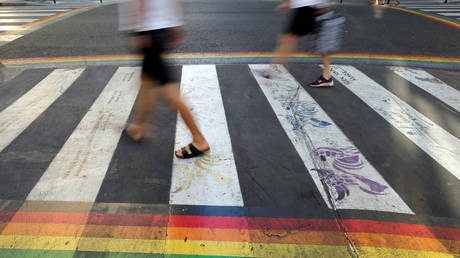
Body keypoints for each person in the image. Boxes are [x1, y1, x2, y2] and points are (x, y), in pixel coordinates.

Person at [119, 0, 209, 159]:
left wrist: (134, 28)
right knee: (147, 82)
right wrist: (177, 25)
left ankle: (199, 139)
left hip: (148, 32)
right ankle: (138, 127)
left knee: (170, 93)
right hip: (160, 30)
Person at [264, 0, 341, 88]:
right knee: (321, 40)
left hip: (306, 6)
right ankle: (327, 76)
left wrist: (290, 3)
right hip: (316, 6)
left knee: (288, 39)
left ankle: (273, 70)